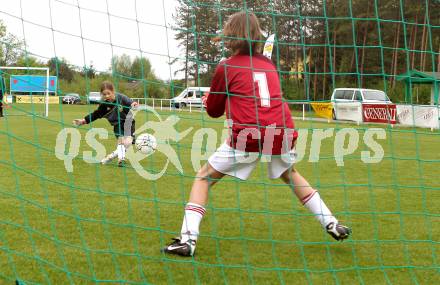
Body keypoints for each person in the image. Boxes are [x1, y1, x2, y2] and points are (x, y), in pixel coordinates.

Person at [162, 11, 351, 257]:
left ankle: (188, 240)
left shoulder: (226, 67)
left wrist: (213, 96)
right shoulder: (269, 65)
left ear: (230, 36)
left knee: (203, 177)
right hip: (282, 131)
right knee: (290, 174)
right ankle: (332, 223)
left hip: (249, 134)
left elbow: (213, 111)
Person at [73, 81, 138, 166]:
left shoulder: (121, 98)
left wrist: (134, 104)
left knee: (128, 143)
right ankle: (121, 159)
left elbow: (131, 103)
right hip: (117, 124)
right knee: (121, 140)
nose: (107, 96)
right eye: (104, 94)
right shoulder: (104, 105)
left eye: (108, 93)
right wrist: (84, 121)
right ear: (101, 94)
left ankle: (110, 156)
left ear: (113, 91)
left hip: (129, 122)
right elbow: (95, 114)